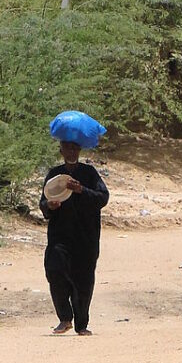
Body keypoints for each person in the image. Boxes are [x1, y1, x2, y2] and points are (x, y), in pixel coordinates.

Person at [40, 140, 109, 335]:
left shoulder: (90, 174)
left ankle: (82, 325)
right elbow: (43, 203)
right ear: (61, 150)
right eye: (67, 148)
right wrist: (49, 206)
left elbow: (102, 198)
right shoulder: (54, 175)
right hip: (59, 236)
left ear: (79, 150)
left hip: (85, 238)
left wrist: (81, 190)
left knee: (83, 282)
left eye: (75, 148)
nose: (71, 151)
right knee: (55, 271)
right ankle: (64, 318)